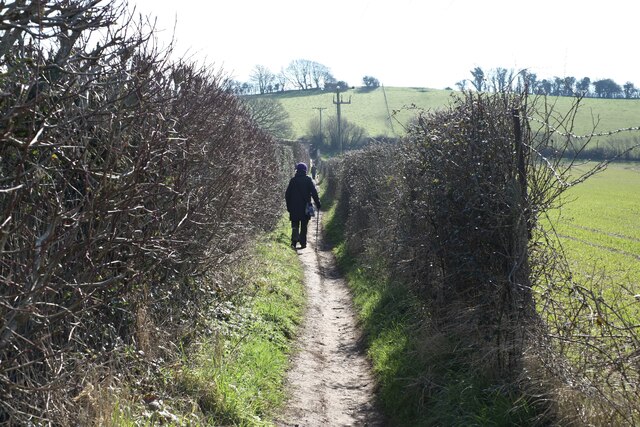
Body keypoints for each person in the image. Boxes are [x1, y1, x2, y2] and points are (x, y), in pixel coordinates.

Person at [285, 162, 321, 249]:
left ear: (297, 170)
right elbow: (314, 193)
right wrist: (318, 203)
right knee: (304, 226)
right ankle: (303, 243)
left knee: (295, 225)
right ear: (305, 170)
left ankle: (294, 242)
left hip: (294, 207)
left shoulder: (293, 180)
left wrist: (289, 207)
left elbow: (287, 195)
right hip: (306, 206)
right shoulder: (308, 180)